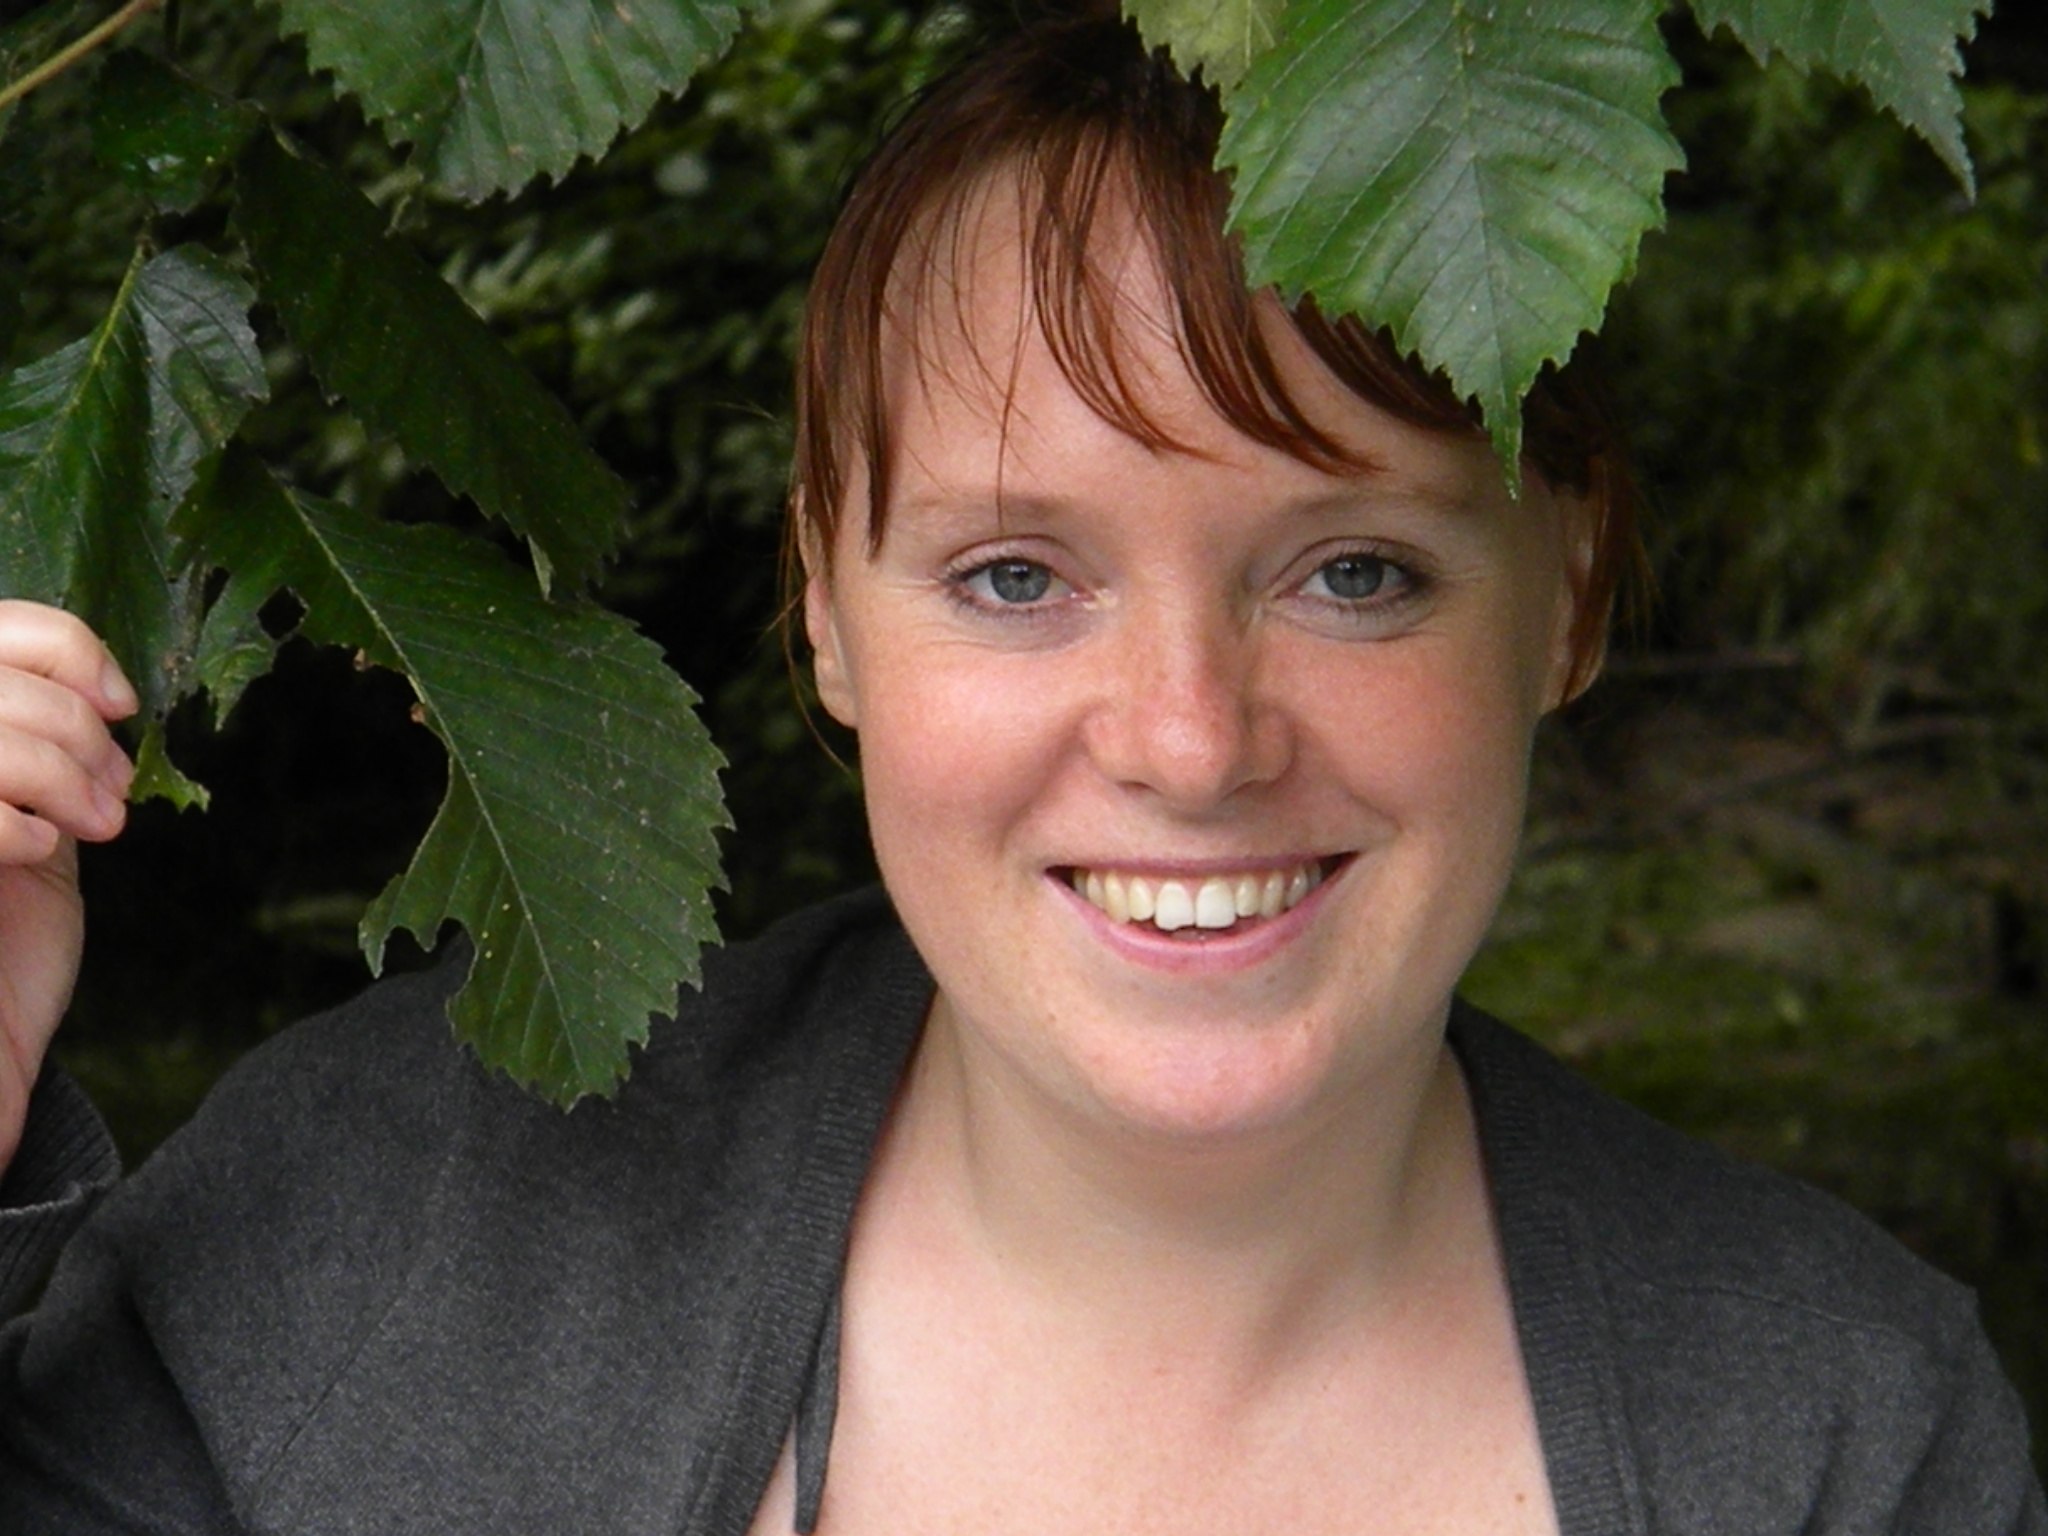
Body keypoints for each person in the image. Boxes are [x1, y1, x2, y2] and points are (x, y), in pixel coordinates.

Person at [1, 11, 2042, 1532]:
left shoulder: (1846, 1443)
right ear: (825, 606)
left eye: (1353, 572)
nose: (1188, 740)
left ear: (1567, 598)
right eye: (1013, 576)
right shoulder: (366, 1228)